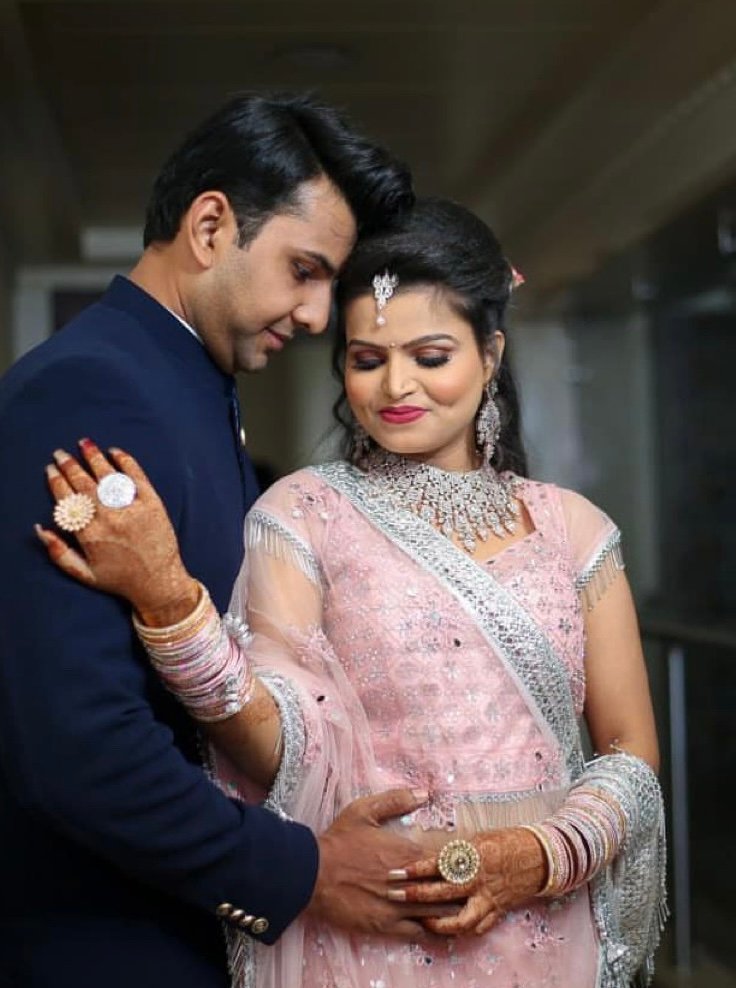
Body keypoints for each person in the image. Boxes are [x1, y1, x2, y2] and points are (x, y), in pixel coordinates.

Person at [38, 199, 667, 987]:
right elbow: (275, 745)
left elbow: (630, 751)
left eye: (431, 356)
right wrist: (170, 604)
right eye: (368, 359)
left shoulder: (573, 528)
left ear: (490, 354)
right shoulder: (304, 514)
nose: (397, 385)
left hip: (547, 927)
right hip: (375, 929)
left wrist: (536, 856)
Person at [0, 94, 455, 988]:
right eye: (303, 271)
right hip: (104, 945)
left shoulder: (185, 385)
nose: (318, 316)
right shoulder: (89, 390)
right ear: (210, 227)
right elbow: (76, 746)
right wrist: (302, 872)